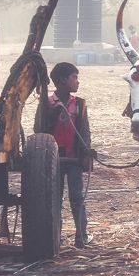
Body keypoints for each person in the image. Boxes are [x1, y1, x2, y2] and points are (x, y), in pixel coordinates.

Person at [34, 62, 93, 247]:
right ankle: (54, 237)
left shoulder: (79, 104)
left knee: (77, 197)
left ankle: (81, 236)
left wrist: (86, 153)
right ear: (62, 80)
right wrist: (52, 116)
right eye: (74, 77)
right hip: (52, 161)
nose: (78, 81)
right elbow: (38, 131)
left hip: (74, 159)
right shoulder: (47, 104)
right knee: (54, 198)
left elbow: (85, 132)